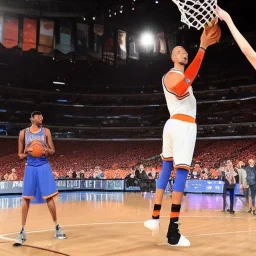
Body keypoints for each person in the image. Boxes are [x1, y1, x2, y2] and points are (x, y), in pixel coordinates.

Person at [144, 22, 221, 246]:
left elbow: (185, 84)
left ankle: (155, 218)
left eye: (185, 51)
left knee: (167, 168)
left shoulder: (180, 76)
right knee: (181, 174)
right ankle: (173, 231)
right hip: (182, 125)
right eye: (179, 51)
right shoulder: (171, 75)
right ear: (172, 57)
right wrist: (203, 48)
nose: (183, 53)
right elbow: (180, 89)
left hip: (173, 126)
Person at [14, 111, 66, 246]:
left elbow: (53, 151)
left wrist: (46, 151)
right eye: (38, 116)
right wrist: (26, 152)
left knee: (50, 197)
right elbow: (19, 154)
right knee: (26, 198)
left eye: (42, 116)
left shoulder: (46, 131)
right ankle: (22, 231)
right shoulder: (23, 133)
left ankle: (57, 227)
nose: (41, 118)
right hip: (30, 166)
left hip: (43, 165)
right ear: (32, 118)